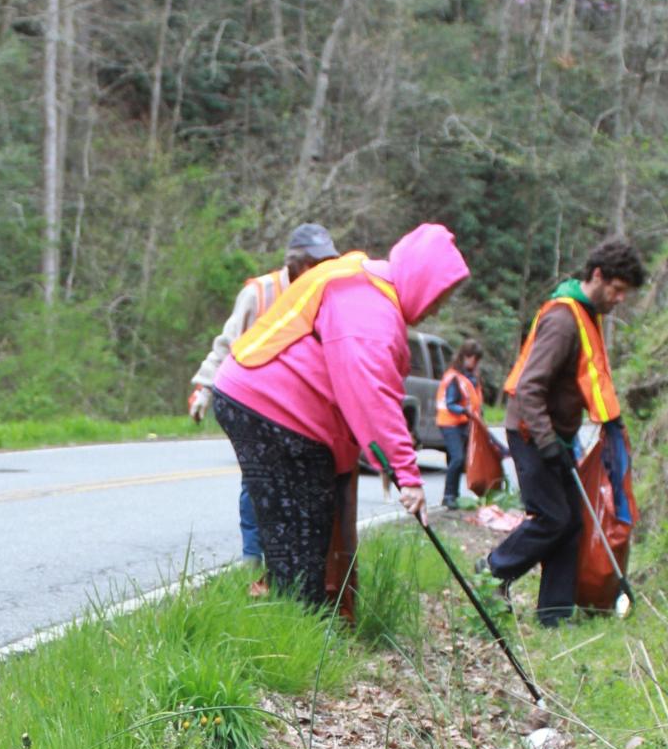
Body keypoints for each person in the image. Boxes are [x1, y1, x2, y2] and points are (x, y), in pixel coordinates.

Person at [210, 224, 469, 605]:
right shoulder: (368, 307)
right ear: (421, 279)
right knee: (298, 549)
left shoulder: (368, 287)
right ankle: (291, 642)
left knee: (308, 538)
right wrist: (406, 475)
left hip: (280, 415)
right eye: (440, 295)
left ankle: (302, 626)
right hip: (270, 413)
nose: (437, 307)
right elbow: (371, 394)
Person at [480, 237, 646, 627]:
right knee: (552, 517)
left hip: (555, 436)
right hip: (531, 432)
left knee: (572, 520)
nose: (620, 299)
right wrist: (546, 441)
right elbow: (529, 387)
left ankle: (554, 614)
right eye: (617, 290)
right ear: (598, 276)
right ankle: (490, 572)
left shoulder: (587, 317)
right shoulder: (562, 320)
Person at [188, 223, 339, 566]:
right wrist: (203, 389)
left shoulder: (326, 292)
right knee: (257, 479)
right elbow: (228, 343)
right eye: (315, 263)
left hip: (299, 407)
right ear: (296, 264)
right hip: (254, 403)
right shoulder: (261, 292)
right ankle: (253, 560)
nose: (321, 270)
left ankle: (292, 563)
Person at [436, 339, 484, 508]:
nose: (475, 362)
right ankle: (448, 496)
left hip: (463, 423)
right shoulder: (454, 377)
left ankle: (453, 496)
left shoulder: (468, 376)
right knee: (457, 458)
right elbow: (451, 403)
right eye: (474, 358)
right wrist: (465, 412)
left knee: (456, 459)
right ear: (466, 356)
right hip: (450, 423)